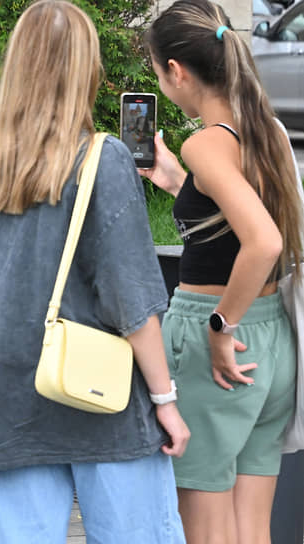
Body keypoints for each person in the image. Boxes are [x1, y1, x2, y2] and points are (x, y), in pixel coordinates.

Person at [0, 2, 190, 542]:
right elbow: (132, 297)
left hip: (5, 398)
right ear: (85, 68)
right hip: (102, 399)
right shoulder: (104, 158)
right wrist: (165, 402)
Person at [142, 2, 303, 542]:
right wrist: (176, 184)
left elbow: (263, 241)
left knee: (205, 524)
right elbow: (241, 223)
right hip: (273, 337)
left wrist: (218, 327)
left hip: (217, 335)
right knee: (251, 524)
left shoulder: (207, 140)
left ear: (176, 71)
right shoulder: (267, 131)